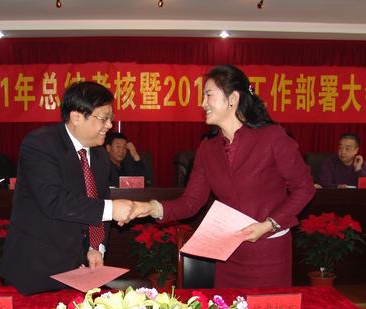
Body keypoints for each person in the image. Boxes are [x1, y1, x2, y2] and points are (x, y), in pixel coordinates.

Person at [130, 64, 315, 288]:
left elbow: (304, 188)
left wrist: (269, 224)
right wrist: (151, 208)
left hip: (268, 251)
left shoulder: (272, 137)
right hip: (228, 252)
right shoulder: (207, 149)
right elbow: (191, 202)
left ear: (233, 98)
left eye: (208, 95)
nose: (202, 104)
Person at [0, 81, 134, 295]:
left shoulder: (100, 155)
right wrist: (111, 209)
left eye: (111, 118)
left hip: (78, 270)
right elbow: (54, 201)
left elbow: (97, 200)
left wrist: (95, 247)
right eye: (104, 118)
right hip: (35, 268)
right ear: (76, 117)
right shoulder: (40, 145)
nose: (110, 125)